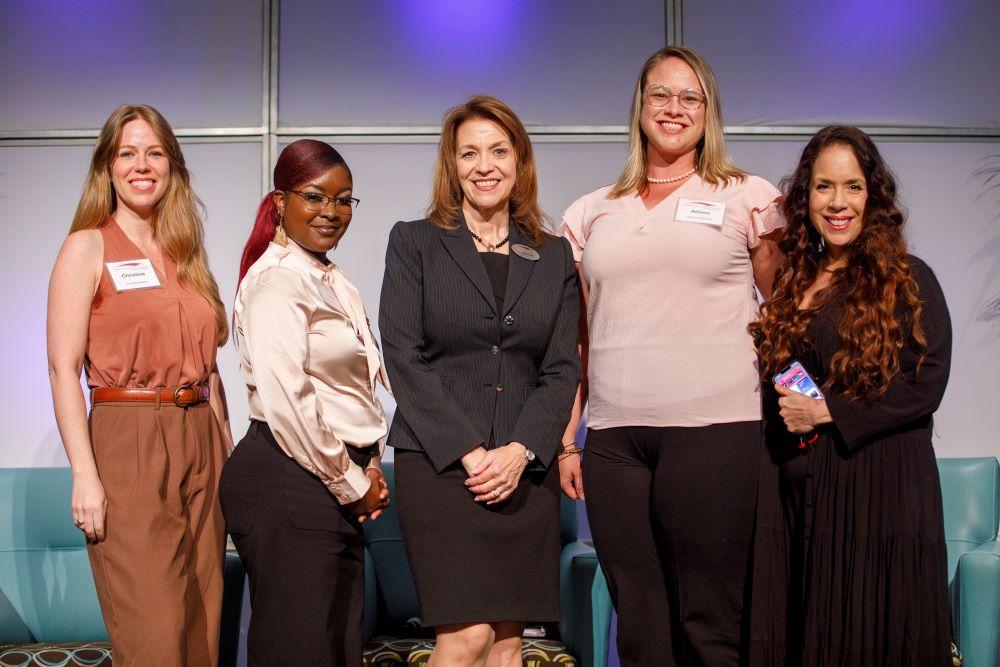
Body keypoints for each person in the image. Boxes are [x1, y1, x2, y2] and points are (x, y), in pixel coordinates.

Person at [559, 45, 785, 665]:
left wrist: (813, 407)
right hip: (615, 441)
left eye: (690, 97)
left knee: (708, 623)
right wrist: (568, 440)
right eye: (660, 94)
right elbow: (579, 338)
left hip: (717, 432)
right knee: (639, 625)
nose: (673, 108)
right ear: (640, 105)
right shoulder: (590, 211)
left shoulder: (747, 196)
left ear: (709, 111)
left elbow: (788, 320)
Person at [379, 95, 581, 667]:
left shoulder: (553, 255)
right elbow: (403, 355)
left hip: (525, 471)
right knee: (466, 637)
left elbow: (562, 368)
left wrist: (520, 451)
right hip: (441, 466)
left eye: (498, 151)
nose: (484, 166)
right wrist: (470, 451)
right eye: (469, 153)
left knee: (508, 642)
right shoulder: (414, 242)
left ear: (520, 162)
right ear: (452, 164)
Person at [749, 125, 952, 666]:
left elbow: (926, 382)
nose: (838, 202)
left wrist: (828, 411)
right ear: (806, 197)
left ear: (873, 196)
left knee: (870, 635)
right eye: (824, 187)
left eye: (852, 187)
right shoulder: (793, 282)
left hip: (879, 494)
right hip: (804, 496)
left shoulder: (908, 279)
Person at [46, 104, 232, 666]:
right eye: (127, 153)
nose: (141, 165)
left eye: (154, 153)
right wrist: (85, 476)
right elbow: (61, 368)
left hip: (201, 437)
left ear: (172, 165)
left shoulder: (186, 253)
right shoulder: (87, 247)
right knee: (155, 633)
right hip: (128, 438)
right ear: (107, 167)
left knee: (202, 624)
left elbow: (211, 368)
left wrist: (228, 458)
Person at [219, 139, 390, 666]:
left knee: (337, 650)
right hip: (289, 477)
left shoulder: (331, 279)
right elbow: (289, 404)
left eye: (343, 200)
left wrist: (370, 463)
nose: (330, 211)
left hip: (328, 478)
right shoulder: (276, 281)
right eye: (315, 197)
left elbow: (356, 388)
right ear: (280, 202)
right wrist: (352, 482)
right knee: (299, 651)